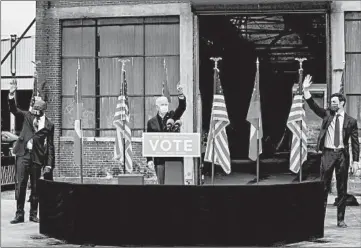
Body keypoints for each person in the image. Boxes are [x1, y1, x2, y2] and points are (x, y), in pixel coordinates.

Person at [303, 74, 360, 228]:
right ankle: (318, 218)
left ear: (341, 103)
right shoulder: (327, 114)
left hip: (342, 154)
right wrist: (306, 90)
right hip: (328, 154)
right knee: (323, 186)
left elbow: (355, 142)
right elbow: (314, 106)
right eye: (331, 102)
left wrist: (355, 161)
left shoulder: (351, 121)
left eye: (334, 102)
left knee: (342, 187)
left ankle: (340, 219)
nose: (331, 104)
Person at [8, 80, 55, 224]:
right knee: (20, 184)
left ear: (42, 112)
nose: (34, 113)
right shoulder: (28, 116)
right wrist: (11, 94)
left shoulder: (49, 125)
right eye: (33, 110)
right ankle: (19, 214)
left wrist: (49, 164)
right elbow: (14, 110)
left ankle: (33, 214)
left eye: (37, 112)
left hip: (37, 157)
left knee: (35, 187)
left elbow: (51, 146)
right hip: (23, 155)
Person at [146, 85, 186, 184]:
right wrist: (149, 159)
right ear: (157, 107)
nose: (165, 106)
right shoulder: (151, 122)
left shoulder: (173, 116)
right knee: (162, 183)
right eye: (162, 104)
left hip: (174, 158)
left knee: (174, 183)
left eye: (166, 104)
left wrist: (180, 94)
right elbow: (149, 141)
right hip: (160, 159)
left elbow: (182, 107)